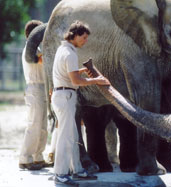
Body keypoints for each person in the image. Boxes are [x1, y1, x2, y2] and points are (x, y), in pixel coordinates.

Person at [51, 20, 110, 185]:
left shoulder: (62, 49)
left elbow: (70, 73)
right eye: (83, 37)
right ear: (74, 35)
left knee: (73, 136)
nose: (85, 41)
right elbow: (76, 81)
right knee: (65, 137)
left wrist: (80, 71)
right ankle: (61, 173)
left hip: (63, 95)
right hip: (66, 96)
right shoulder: (70, 54)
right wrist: (97, 80)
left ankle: (77, 170)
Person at [19, 20, 52, 170]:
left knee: (43, 126)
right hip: (35, 87)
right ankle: (25, 158)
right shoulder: (30, 48)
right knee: (34, 124)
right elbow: (43, 60)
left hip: (42, 88)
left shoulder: (37, 47)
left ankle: (38, 157)